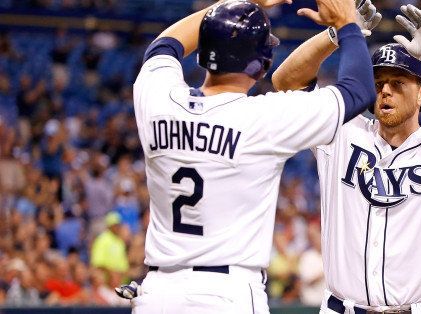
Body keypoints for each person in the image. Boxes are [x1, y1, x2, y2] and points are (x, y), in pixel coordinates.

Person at [129, 0, 377, 312]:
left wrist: (238, 3)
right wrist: (347, 26)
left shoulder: (158, 101)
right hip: (226, 293)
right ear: (261, 64)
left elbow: (165, 45)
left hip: (158, 292)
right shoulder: (263, 119)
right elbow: (358, 91)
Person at [273, 3, 421, 313]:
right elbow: (285, 81)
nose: (385, 92)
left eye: (398, 83)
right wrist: (338, 32)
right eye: (378, 84)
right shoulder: (342, 130)